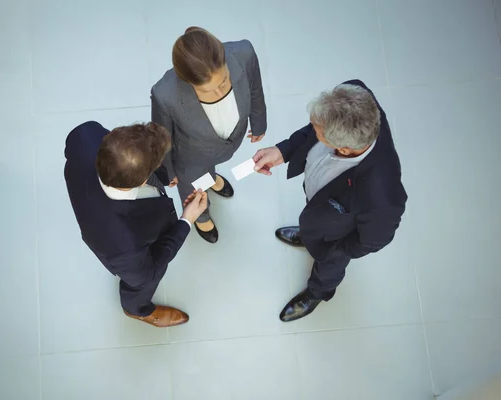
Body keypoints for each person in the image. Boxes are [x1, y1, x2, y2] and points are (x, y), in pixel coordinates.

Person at [253, 80, 408, 322]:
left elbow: (373, 240)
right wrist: (283, 151)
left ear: (344, 149)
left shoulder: (381, 197)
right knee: (313, 224)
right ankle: (308, 235)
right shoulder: (355, 94)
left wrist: (334, 249)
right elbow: (311, 129)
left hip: (336, 239)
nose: (313, 132)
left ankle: (316, 293)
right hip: (321, 207)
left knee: (329, 267)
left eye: (318, 133)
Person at [64, 121, 208, 327]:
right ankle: (137, 309)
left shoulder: (86, 134)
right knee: (140, 285)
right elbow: (147, 273)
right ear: (142, 180)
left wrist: (164, 178)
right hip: (126, 251)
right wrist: (187, 220)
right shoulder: (125, 245)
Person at [151, 27, 267, 243]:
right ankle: (202, 216)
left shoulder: (244, 53)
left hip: (228, 141)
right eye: (207, 91)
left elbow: (255, 88)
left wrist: (259, 122)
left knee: (209, 167)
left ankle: (211, 178)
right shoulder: (164, 95)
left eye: (224, 82)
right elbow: (162, 138)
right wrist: (166, 170)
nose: (220, 93)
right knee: (193, 183)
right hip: (190, 155)